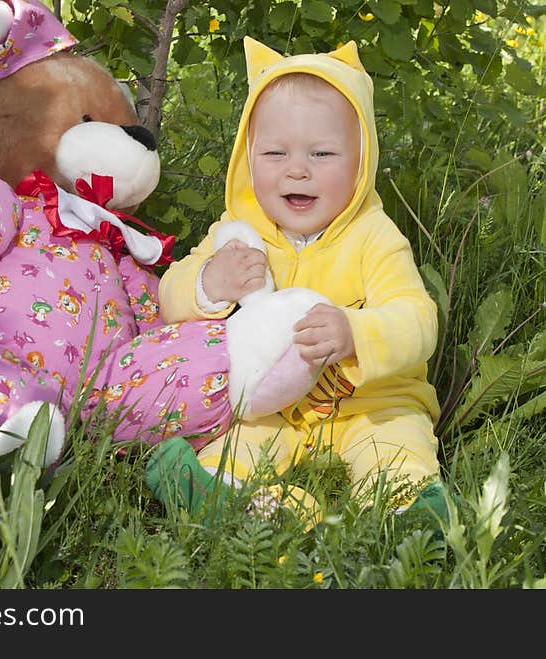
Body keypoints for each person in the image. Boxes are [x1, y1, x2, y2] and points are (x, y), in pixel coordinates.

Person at [146, 36, 451, 529]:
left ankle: (408, 513)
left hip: (370, 401)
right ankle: (220, 495)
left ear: (362, 160)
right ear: (248, 159)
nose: (297, 170)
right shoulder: (239, 232)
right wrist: (210, 281)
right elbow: (168, 295)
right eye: (275, 152)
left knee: (395, 446)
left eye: (323, 153)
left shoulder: (374, 236)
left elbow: (418, 321)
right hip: (275, 405)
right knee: (241, 440)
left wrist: (356, 332)